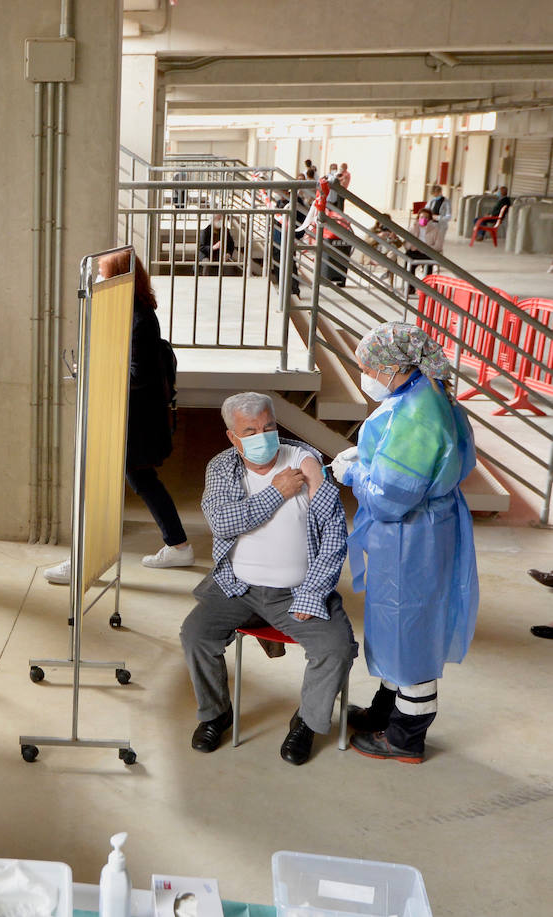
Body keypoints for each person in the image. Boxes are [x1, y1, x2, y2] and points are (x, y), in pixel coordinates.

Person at [179, 392, 356, 765]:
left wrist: (312, 595)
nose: (263, 435)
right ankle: (215, 715)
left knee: (336, 648)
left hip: (296, 592)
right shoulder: (221, 468)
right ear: (232, 437)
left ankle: (307, 722)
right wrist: (277, 493)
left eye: (269, 427)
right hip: (235, 587)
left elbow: (335, 538)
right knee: (195, 635)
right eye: (251, 430)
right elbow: (223, 523)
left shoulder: (306, 462)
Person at [336, 322, 478, 763]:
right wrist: (369, 459)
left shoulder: (418, 413)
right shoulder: (425, 393)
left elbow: (392, 498)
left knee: (410, 634)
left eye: (368, 369)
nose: (366, 376)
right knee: (399, 629)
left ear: (395, 366)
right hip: (418, 533)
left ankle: (405, 735)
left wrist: (356, 473)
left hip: (411, 536)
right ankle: (387, 709)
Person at [45, 253, 193, 585]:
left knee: (97, 486)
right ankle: (178, 544)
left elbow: (137, 375)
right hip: (134, 420)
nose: (98, 280)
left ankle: (84, 562)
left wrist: (97, 373)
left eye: (102, 273)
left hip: (131, 423)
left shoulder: (138, 318)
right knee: (141, 481)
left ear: (119, 278)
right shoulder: (134, 310)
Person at [423, 183, 452, 250]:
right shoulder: (432, 201)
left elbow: (449, 216)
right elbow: (426, 210)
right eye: (433, 195)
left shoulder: (446, 202)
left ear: (440, 192)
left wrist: (438, 217)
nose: (435, 196)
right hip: (431, 224)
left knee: (438, 244)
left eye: (436, 194)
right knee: (430, 242)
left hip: (441, 226)